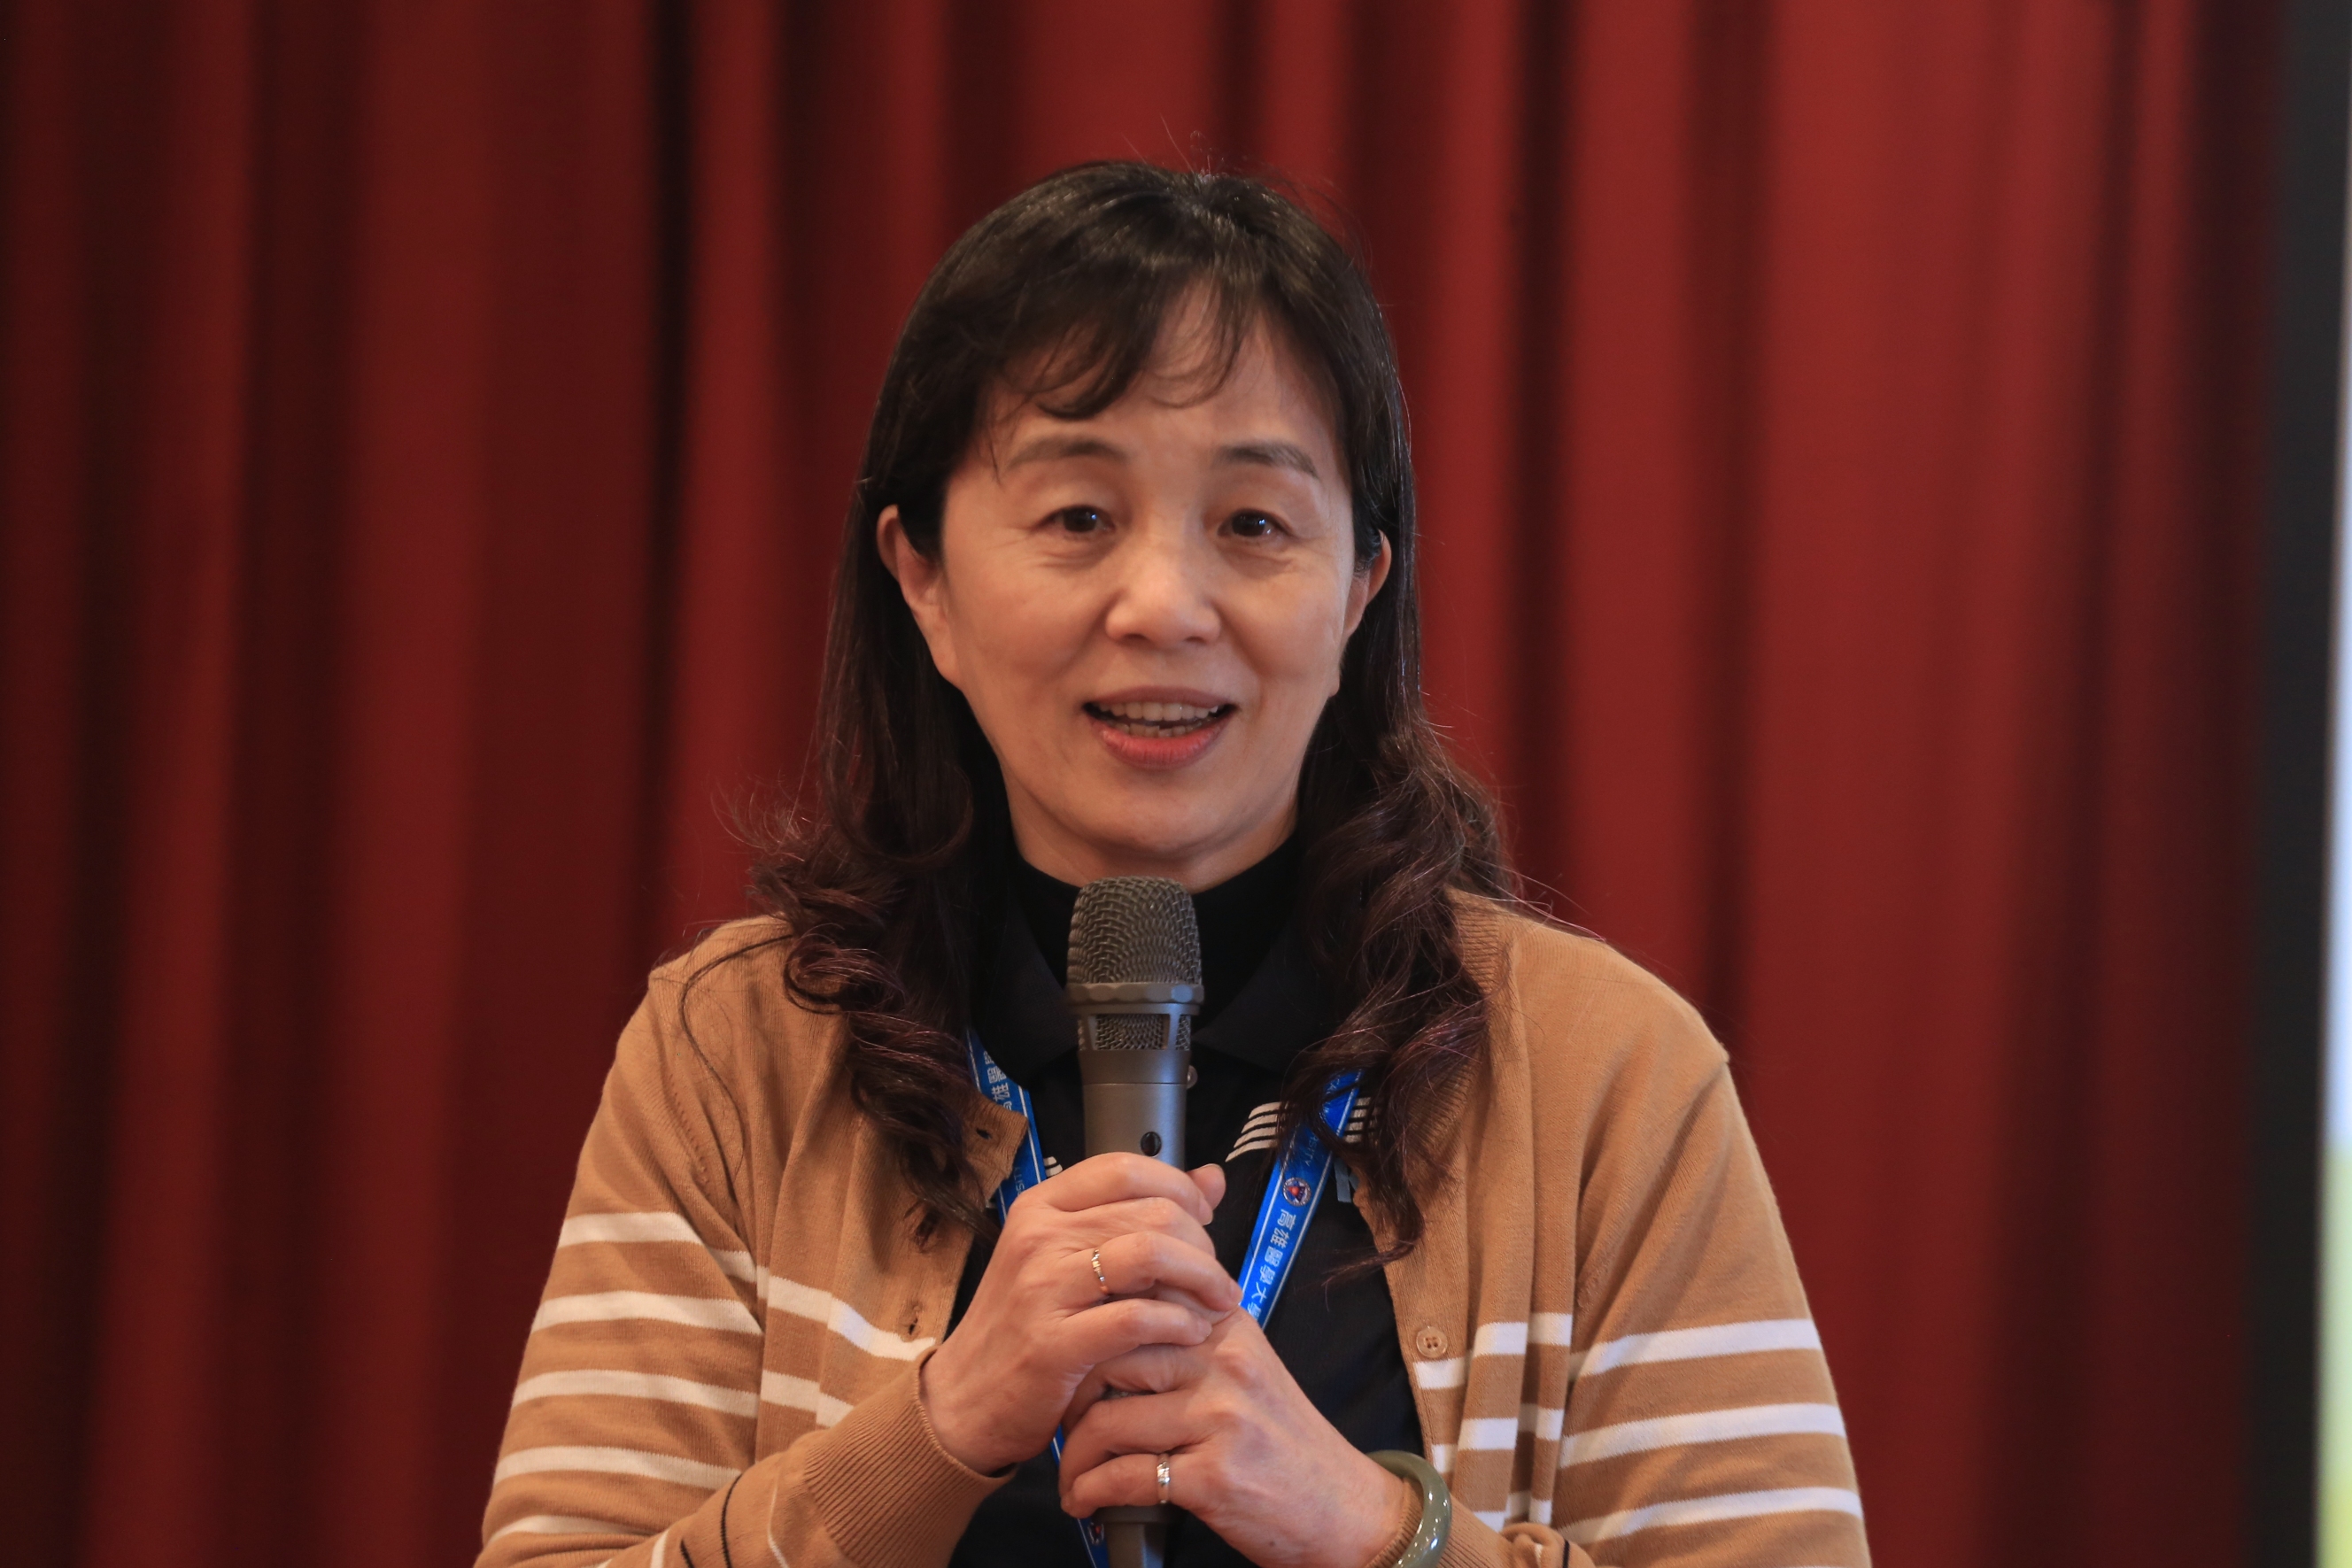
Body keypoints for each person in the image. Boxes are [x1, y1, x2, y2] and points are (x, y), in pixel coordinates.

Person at [476, 161, 1868, 1568]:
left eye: (1254, 524)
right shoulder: (737, 1053)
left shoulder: (1605, 1074)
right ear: (924, 581)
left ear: (1360, 588)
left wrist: (1376, 1532)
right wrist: (939, 1430)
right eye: (1079, 518)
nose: (1163, 605)